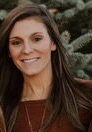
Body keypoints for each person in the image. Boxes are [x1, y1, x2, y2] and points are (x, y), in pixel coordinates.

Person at [0, 4, 92, 132]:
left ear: (53, 42)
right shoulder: (3, 109)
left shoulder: (88, 95)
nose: (26, 50)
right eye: (16, 42)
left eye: (36, 39)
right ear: (9, 51)